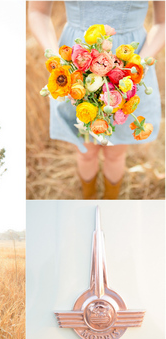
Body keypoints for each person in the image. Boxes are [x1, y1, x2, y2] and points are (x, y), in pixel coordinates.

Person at [28, 1, 164, 199]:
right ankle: (88, 197)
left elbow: (163, 22)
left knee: (116, 153)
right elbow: (37, 12)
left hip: (129, 67)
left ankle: (111, 201)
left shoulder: (132, 68)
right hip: (76, 64)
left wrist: (137, 65)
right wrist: (57, 59)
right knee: (85, 151)